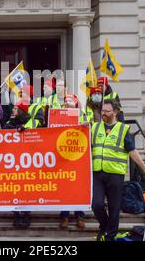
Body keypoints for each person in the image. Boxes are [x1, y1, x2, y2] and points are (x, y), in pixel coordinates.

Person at [91, 99, 145, 241]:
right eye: (102, 111)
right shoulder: (94, 127)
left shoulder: (123, 129)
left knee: (114, 208)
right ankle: (105, 226)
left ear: (115, 112)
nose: (104, 114)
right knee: (96, 204)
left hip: (115, 174)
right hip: (98, 174)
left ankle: (110, 235)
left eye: (107, 111)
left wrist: (144, 169)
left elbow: (132, 151)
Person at [58, 94, 88, 229]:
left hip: (79, 156)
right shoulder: (59, 115)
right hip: (64, 155)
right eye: (65, 101)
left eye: (69, 100)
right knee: (65, 187)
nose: (67, 102)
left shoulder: (83, 115)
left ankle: (79, 216)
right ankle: (64, 216)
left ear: (75, 102)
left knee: (79, 187)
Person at [3, 102, 34, 228]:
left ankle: (26, 214)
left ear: (21, 111)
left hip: (27, 161)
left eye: (16, 109)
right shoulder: (10, 123)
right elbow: (3, 133)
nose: (13, 110)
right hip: (13, 161)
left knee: (27, 189)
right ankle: (16, 214)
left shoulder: (30, 122)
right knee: (14, 189)